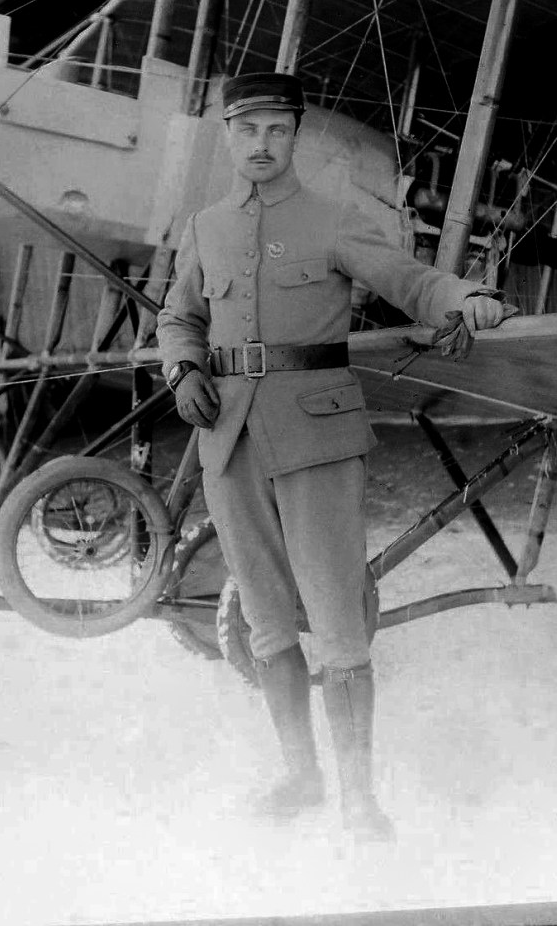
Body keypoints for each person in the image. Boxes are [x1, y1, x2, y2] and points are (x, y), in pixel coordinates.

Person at [156, 72, 508, 843]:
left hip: (316, 438)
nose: (261, 144)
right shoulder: (207, 226)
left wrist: (465, 295)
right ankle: (301, 774)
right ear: (227, 135)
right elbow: (178, 316)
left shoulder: (333, 219)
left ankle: (359, 796)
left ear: (295, 135)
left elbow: (410, 281)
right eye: (247, 129)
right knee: (266, 619)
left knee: (339, 619)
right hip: (229, 441)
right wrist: (182, 369)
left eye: (276, 130)